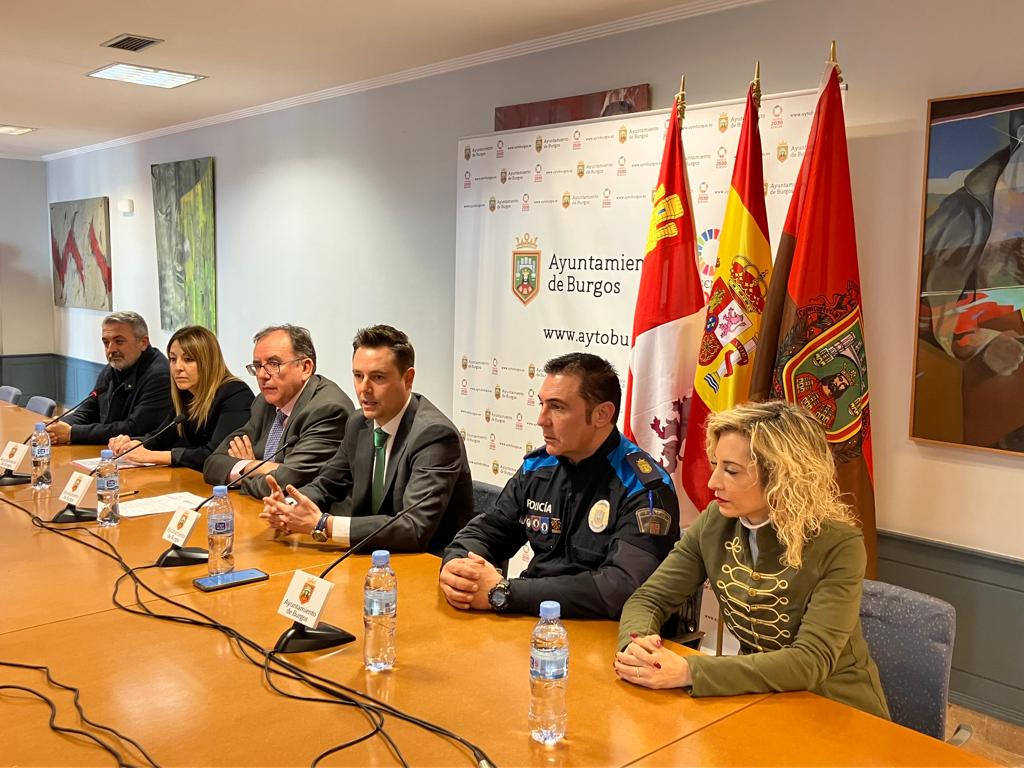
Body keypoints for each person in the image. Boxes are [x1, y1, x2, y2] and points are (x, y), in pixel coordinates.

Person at [614, 400, 889, 719]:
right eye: (715, 464)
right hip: (753, 698)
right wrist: (637, 646)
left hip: (836, 709)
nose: (712, 482)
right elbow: (649, 598)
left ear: (781, 476)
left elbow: (809, 662)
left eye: (731, 470)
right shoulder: (716, 521)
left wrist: (691, 670)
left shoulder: (838, 543)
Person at [439, 353, 679, 619]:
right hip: (532, 619)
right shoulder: (539, 468)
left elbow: (619, 589)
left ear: (602, 414)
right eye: (542, 404)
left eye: (557, 407)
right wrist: (457, 568)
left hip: (600, 633)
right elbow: (487, 532)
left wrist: (506, 593)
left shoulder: (644, 488)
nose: (542, 419)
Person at [260, 325, 474, 555]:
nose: (364, 389)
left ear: (408, 379)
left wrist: (325, 525)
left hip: (427, 564)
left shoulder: (434, 435)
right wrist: (289, 508)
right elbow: (328, 484)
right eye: (358, 376)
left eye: (378, 377)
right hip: (370, 556)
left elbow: (414, 527)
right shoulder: (358, 423)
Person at [203, 324, 353, 498]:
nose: (262, 375)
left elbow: (285, 483)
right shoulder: (264, 402)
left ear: (305, 368)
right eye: (258, 365)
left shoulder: (328, 410)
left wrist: (240, 473)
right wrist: (253, 466)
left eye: (274, 364)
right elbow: (212, 464)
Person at [107, 326, 254, 471]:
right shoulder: (186, 394)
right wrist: (132, 443)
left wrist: (150, 456)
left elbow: (215, 455)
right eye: (172, 359)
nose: (178, 367)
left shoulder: (235, 394)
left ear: (208, 362)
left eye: (188, 359)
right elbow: (159, 438)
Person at [47, 311, 171, 445]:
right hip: (112, 451)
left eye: (119, 341)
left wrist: (72, 433)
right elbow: (88, 411)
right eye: (106, 342)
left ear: (143, 343)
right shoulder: (112, 369)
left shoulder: (159, 375)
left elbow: (134, 428)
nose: (111, 349)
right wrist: (57, 427)